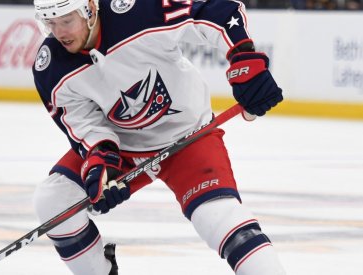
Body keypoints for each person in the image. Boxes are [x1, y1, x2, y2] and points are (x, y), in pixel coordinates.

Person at [31, 0, 285, 274]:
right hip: (124, 144)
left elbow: (219, 12)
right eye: (50, 23)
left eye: (66, 20)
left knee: (218, 217)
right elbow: (84, 125)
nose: (58, 32)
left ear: (90, 9)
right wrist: (100, 165)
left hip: (188, 136)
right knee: (53, 199)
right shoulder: (50, 67)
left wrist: (243, 56)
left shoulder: (137, 11)